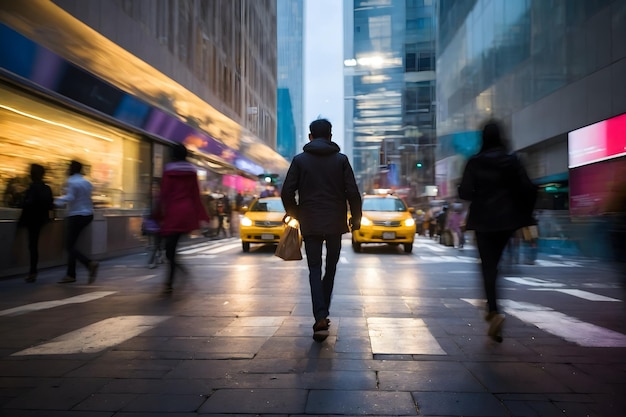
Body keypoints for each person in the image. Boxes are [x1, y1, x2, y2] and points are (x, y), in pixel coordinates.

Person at [281, 118, 362, 342]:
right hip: (335, 223)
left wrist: (294, 212)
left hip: (310, 222)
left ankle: (320, 315)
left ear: (310, 137)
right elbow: (353, 193)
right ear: (330, 136)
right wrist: (356, 219)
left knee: (314, 269)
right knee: (331, 268)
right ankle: (323, 311)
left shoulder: (299, 161)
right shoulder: (341, 160)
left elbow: (287, 191)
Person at [458, 119, 537, 342]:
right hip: (507, 222)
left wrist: (477, 193)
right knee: (497, 264)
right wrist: (525, 214)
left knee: (488, 267)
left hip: (483, 221)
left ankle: (493, 310)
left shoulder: (474, 162)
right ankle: (493, 310)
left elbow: (465, 192)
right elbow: (529, 188)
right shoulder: (512, 161)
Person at [157, 143, 210, 293]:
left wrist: (157, 212)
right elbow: (195, 195)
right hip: (186, 213)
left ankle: (170, 281)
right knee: (171, 248)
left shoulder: (169, 170)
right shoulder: (192, 171)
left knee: (169, 249)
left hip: (173, 212)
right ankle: (172, 279)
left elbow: (164, 193)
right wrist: (202, 215)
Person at [55, 160, 99, 284]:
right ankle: (71, 274)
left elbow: (70, 197)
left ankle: (89, 264)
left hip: (76, 215)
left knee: (69, 246)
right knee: (72, 245)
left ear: (72, 169)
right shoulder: (87, 183)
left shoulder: (71, 181)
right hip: (88, 215)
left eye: (68, 167)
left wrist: (56, 202)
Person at [18, 164, 54, 283]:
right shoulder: (47, 188)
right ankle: (33, 271)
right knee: (34, 246)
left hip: (31, 221)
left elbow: (26, 205)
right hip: (41, 221)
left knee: (32, 246)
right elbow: (50, 206)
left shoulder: (31, 188)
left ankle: (32, 272)